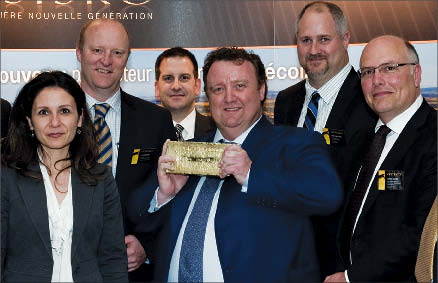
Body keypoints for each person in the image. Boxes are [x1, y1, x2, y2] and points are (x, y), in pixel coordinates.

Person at [128, 47, 343, 282]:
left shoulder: (295, 143)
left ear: (261, 90)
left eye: (240, 86)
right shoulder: (189, 150)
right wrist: (163, 195)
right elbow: (137, 215)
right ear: (207, 97)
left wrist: (252, 175)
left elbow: (327, 195)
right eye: (218, 89)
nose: (229, 97)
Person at [273, 1, 376, 277]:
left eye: (324, 39)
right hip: (288, 259)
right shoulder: (285, 101)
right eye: (306, 40)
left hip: (341, 266)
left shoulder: (371, 100)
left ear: (345, 40)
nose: (314, 49)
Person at [325, 35, 437, 282]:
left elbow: (419, 234)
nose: (377, 80)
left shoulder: (433, 139)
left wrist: (350, 278)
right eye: (367, 72)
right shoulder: (361, 140)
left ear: (416, 74)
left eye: (389, 68)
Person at [1, 71, 127, 282]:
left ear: (80, 118)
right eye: (43, 112)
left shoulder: (101, 178)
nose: (55, 122)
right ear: (30, 122)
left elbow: (113, 258)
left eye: (64, 111)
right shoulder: (6, 177)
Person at [76, 19, 176, 281]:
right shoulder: (53, 118)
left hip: (132, 272)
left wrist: (148, 246)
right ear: (79, 53)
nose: (106, 61)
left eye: (117, 53)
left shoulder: (156, 121)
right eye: (97, 50)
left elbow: (174, 195)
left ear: (127, 59)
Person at [155, 47, 215, 141]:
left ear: (197, 86)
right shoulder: (142, 132)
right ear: (157, 88)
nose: (176, 86)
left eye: (184, 78)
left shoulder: (217, 130)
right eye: (168, 78)